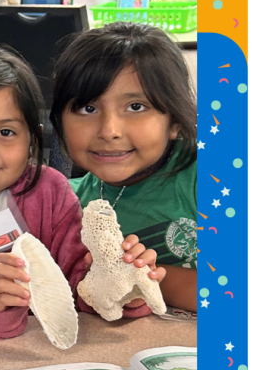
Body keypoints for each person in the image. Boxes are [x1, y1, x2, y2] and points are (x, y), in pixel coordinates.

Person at [0, 49, 166, 339]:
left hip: (37, 361)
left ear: (32, 139)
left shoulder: (49, 194)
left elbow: (78, 284)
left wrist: (118, 287)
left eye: (6, 132)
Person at [50, 23, 197, 313]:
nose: (109, 130)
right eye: (87, 109)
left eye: (136, 107)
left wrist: (144, 278)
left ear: (175, 120)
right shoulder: (65, 205)